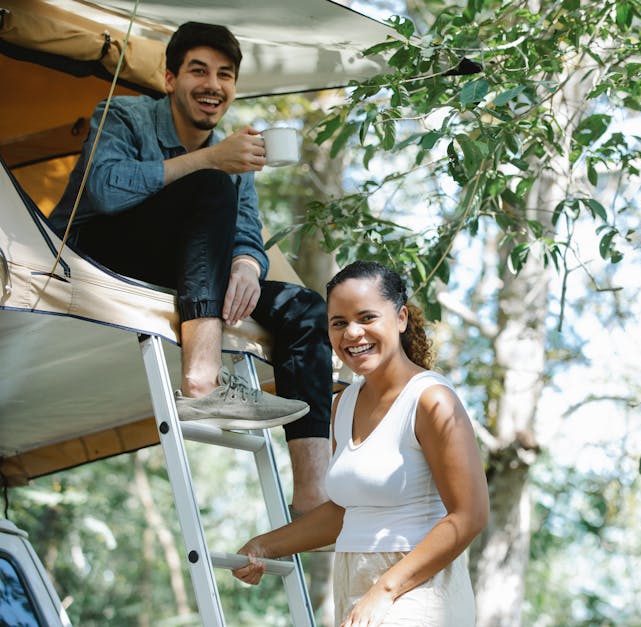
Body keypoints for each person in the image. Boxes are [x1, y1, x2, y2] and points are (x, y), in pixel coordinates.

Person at [47, 22, 333, 513]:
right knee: (212, 181)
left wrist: (244, 264)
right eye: (198, 71)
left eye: (225, 75)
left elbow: (245, 230)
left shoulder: (231, 150)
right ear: (170, 80)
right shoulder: (123, 113)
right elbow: (104, 188)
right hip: (96, 253)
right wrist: (209, 160)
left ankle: (314, 497)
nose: (212, 85)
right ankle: (202, 381)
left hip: (187, 268)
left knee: (306, 308)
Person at [233, 260, 489, 627]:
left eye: (367, 317)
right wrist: (264, 545)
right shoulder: (344, 404)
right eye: (339, 323)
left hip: (420, 586)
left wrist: (384, 591)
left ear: (400, 318)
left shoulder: (431, 400)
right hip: (353, 578)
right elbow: (343, 512)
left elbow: (470, 515)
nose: (352, 333)